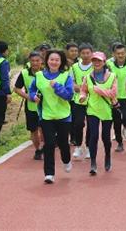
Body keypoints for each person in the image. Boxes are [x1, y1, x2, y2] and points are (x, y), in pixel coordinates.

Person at [28, 49, 74, 184]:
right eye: (51, 59)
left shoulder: (65, 76)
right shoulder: (39, 76)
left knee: (63, 143)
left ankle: (66, 160)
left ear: (61, 62)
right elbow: (31, 90)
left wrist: (57, 86)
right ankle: (49, 174)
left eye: (57, 60)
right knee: (49, 144)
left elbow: (69, 95)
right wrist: (33, 96)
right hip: (46, 116)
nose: (54, 62)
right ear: (47, 61)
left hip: (63, 116)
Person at [79, 52, 117, 175]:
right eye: (94, 60)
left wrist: (99, 90)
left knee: (106, 137)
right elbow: (83, 90)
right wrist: (82, 97)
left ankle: (107, 157)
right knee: (93, 136)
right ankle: (93, 163)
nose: (96, 63)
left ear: (104, 62)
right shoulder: (88, 77)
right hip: (92, 110)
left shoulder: (112, 76)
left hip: (106, 110)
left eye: (99, 61)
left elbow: (113, 93)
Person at [14, 51, 45, 160]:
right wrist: (29, 97)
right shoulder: (24, 73)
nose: (35, 63)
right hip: (31, 107)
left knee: (44, 129)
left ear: (41, 61)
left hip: (46, 107)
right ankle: (38, 150)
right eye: (33, 61)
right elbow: (16, 89)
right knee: (34, 130)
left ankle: (44, 147)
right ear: (29, 61)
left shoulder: (47, 72)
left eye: (37, 61)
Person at [107, 42, 126, 152]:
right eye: (118, 53)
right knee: (117, 121)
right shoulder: (108, 64)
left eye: (122, 53)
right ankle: (119, 142)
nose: (120, 55)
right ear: (114, 54)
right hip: (114, 98)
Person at [71, 43, 94, 157]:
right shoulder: (74, 67)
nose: (85, 55)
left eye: (88, 53)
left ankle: (89, 148)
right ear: (80, 54)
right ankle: (78, 146)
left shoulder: (95, 66)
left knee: (91, 125)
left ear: (92, 53)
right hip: (78, 100)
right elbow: (71, 79)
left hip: (92, 100)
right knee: (78, 124)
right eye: (83, 53)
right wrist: (74, 85)